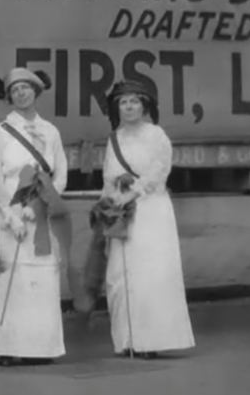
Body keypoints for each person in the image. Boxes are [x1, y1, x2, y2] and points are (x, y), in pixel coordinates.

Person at [0, 67, 68, 367]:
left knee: (36, 277)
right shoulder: (1, 132)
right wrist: (11, 214)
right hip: (8, 209)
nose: (21, 93)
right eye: (15, 90)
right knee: (7, 277)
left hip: (39, 210)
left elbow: (60, 173)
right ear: (8, 96)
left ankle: (38, 347)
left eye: (26, 88)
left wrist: (40, 202)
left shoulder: (50, 131)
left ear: (36, 92)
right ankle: (6, 345)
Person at [97, 78, 193, 359]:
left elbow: (159, 171)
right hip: (122, 214)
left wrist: (133, 193)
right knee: (119, 275)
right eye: (123, 103)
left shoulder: (156, 135)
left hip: (151, 210)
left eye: (134, 102)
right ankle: (126, 340)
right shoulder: (114, 139)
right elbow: (107, 176)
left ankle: (151, 340)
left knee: (151, 273)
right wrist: (110, 200)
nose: (128, 107)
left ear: (145, 105)